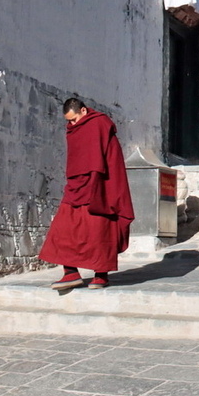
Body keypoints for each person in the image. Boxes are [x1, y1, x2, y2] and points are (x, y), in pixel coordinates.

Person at [40, 98, 135, 290]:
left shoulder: (99, 124)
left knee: (100, 230)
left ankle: (101, 275)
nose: (72, 124)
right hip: (76, 186)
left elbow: (109, 159)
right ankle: (70, 272)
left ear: (83, 110)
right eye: (69, 121)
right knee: (64, 228)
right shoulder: (75, 129)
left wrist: (102, 186)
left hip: (100, 186)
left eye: (74, 119)